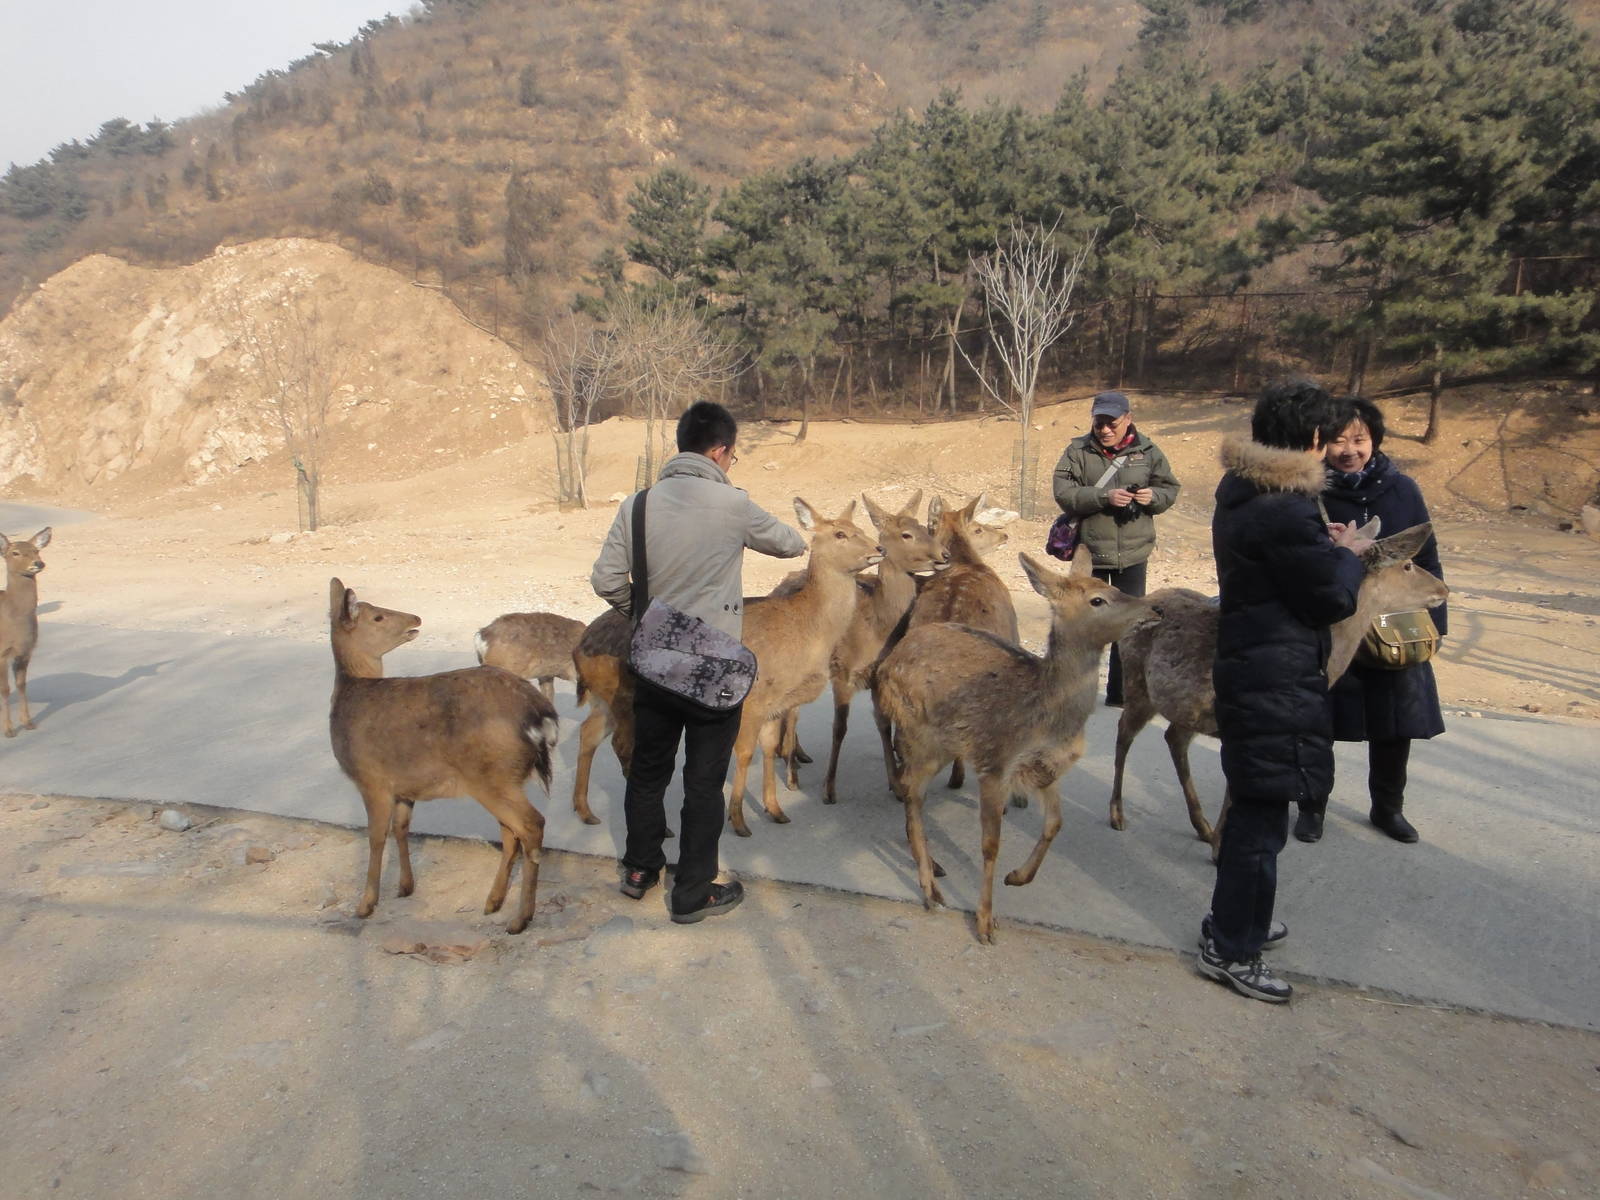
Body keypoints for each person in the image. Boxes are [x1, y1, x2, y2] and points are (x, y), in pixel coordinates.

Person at [590, 401, 807, 923]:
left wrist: (646, 614)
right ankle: (691, 892)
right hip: (715, 670)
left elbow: (605, 580)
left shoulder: (637, 505)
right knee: (702, 781)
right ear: (721, 451)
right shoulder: (732, 503)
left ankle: (640, 870)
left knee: (647, 770)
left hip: (655, 660)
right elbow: (792, 544)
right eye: (732, 457)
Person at [1200, 380, 1374, 1004]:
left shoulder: (1245, 491)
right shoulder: (1288, 506)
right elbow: (1329, 598)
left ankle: (1236, 919)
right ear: (1316, 438)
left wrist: (1321, 552)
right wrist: (1348, 555)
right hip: (1273, 673)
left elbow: (1280, 569)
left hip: (1252, 663)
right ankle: (1230, 948)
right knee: (1262, 814)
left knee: (1256, 802)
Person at [1293, 397, 1447, 845]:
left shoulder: (1403, 491)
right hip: (1333, 622)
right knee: (1317, 721)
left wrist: (1438, 625)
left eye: (1359, 439)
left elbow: (1428, 557)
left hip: (1393, 627)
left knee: (1395, 723)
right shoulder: (1310, 491)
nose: (1349, 449)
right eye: (1338, 440)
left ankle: (1387, 807)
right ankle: (1312, 806)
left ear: (1374, 441)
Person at [1051, 391, 1181, 705]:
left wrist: (1155, 498)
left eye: (1112, 422)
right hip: (1089, 555)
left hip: (1132, 555)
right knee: (1082, 624)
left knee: (1129, 625)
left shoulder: (1148, 451)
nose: (1105, 429)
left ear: (1128, 419)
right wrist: (1103, 498)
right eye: (1099, 422)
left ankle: (1120, 694)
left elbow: (1169, 488)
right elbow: (1063, 492)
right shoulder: (1077, 450)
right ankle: (1073, 690)